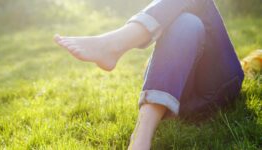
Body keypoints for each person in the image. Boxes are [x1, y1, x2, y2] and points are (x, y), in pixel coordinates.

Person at [53, 0, 244, 149]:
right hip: (178, 96)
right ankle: (140, 139)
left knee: (189, 15)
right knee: (187, 22)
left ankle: (114, 44)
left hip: (212, 87)